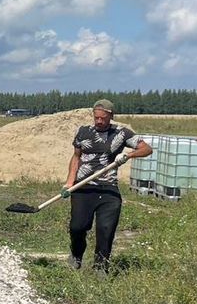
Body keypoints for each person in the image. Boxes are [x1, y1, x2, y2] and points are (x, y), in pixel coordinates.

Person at [63, 99, 152, 275]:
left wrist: (128, 155)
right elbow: (76, 157)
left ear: (110, 116)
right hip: (84, 188)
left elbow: (147, 149)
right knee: (77, 227)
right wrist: (69, 182)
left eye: (103, 118)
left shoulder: (122, 133)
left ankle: (101, 267)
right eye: (96, 117)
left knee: (106, 228)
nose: (99, 121)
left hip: (108, 188)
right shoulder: (83, 132)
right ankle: (76, 254)